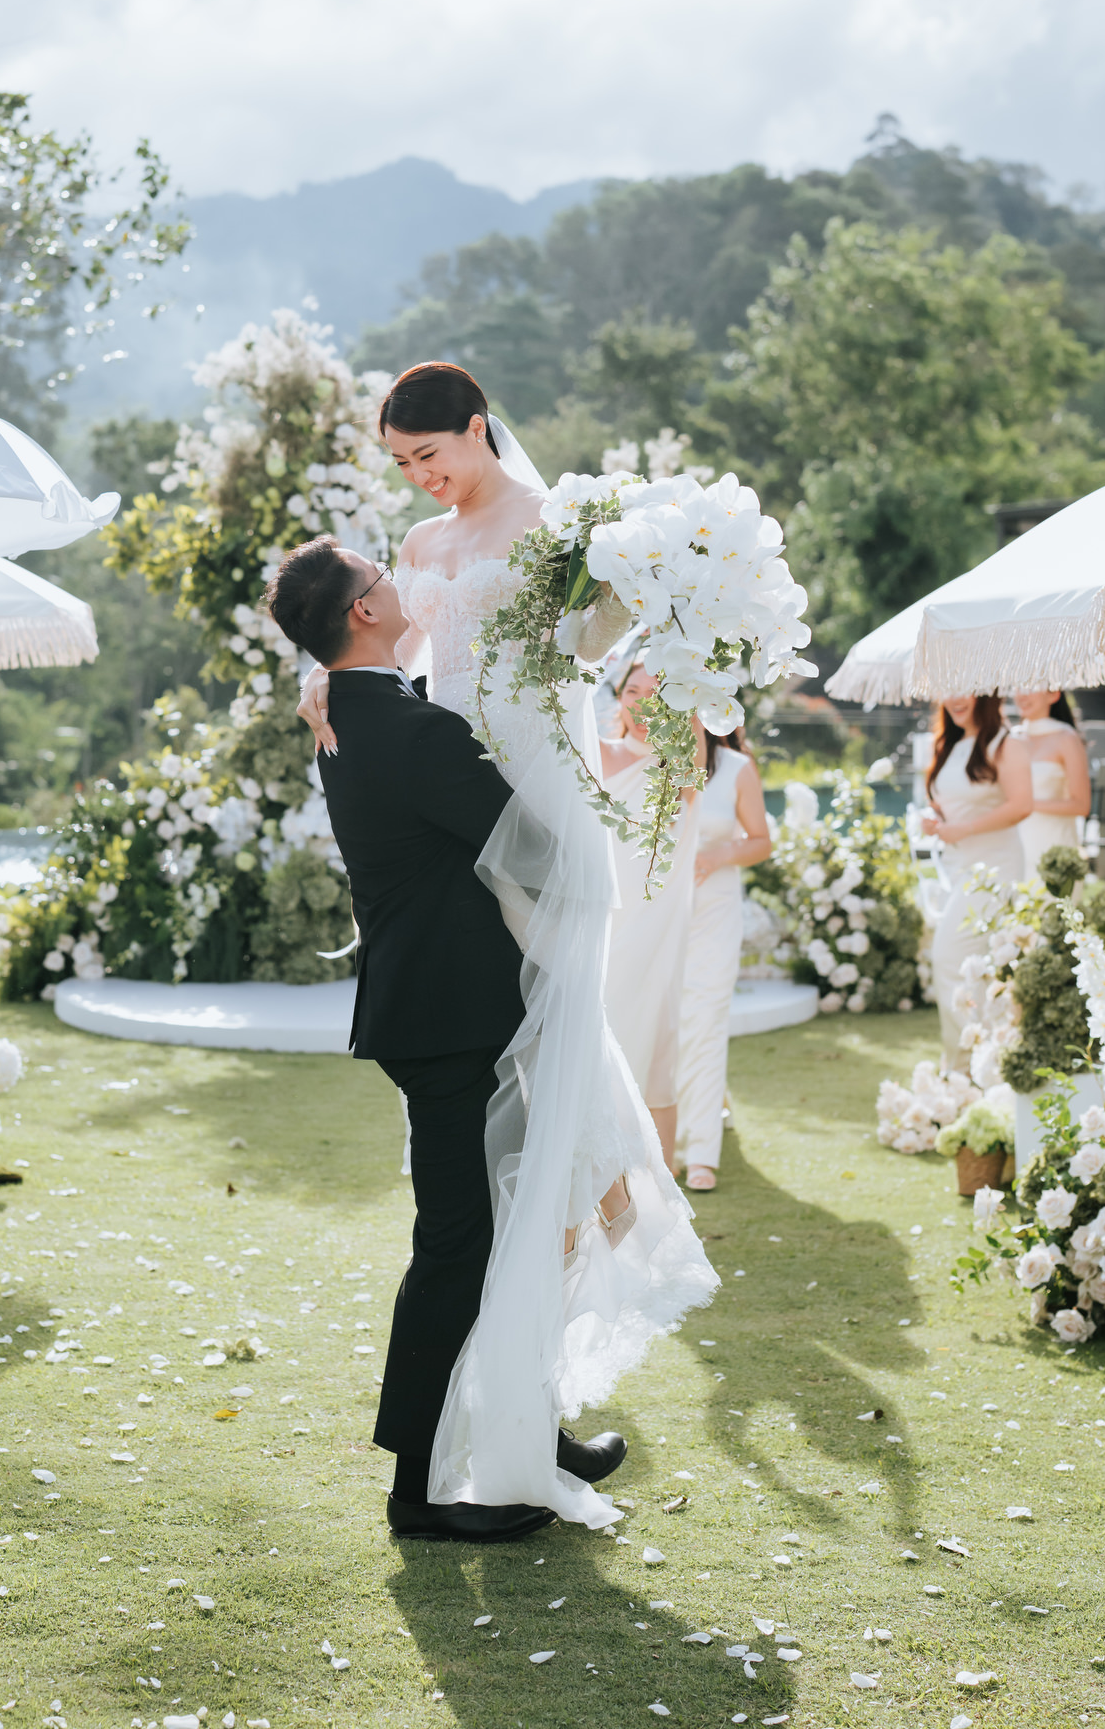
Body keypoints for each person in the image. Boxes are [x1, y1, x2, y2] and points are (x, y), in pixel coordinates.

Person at [294, 361, 716, 1533]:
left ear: (481, 430)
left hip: (508, 798)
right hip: (473, 828)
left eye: (431, 454)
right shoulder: (412, 575)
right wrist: (321, 688)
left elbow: (583, 643)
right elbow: (363, 649)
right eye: (402, 466)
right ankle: (434, 1477)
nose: (420, 482)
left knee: (526, 1161)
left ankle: (529, 1419)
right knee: (491, 1193)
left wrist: (664, 598)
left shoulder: (557, 528)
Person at [268, 533, 566, 1545]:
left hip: (435, 1004)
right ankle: (415, 1493)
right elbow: (531, 842)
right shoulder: (405, 730)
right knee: (457, 1246)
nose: (401, 584)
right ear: (362, 612)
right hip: (451, 1018)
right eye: (381, 579)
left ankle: (536, 1426)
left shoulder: (350, 714)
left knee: (506, 1229)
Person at [598, 642, 700, 1172]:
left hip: (654, 926)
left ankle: (660, 1180)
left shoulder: (679, 765)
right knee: (601, 1041)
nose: (641, 704)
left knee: (654, 1045)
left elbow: (688, 770)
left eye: (657, 695)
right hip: (600, 923)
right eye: (633, 691)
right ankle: (603, 1176)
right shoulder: (593, 752)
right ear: (617, 697)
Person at [673, 722, 772, 1191]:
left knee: (706, 1020)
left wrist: (716, 855)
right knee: (665, 1026)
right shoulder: (648, 758)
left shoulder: (736, 768)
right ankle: (663, 1140)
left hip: (714, 911)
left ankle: (700, 1152)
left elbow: (761, 840)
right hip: (658, 914)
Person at [919, 693, 1032, 1069]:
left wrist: (964, 828)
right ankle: (979, 1059)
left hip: (993, 871)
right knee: (974, 967)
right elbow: (955, 803)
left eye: (963, 688)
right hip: (956, 868)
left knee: (948, 958)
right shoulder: (947, 745)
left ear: (985, 691)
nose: (953, 699)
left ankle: (970, 1062)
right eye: (946, 690)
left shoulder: (1006, 743)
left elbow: (1022, 804)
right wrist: (936, 820)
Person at [1010, 690, 1090, 876]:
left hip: (1052, 846)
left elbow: (1081, 805)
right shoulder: (1011, 738)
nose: (1022, 694)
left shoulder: (1066, 738)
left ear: (1053, 694)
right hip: (1014, 845)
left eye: (1031, 687)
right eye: (1019, 687)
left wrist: (1027, 804)